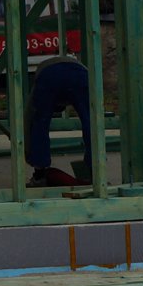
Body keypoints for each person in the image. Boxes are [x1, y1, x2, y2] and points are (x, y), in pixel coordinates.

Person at [26, 54, 94, 187]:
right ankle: (96, 172)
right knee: (91, 121)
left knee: (40, 123)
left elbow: (29, 122)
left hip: (49, 75)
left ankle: (39, 175)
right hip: (80, 75)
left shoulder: (40, 79)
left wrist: (29, 150)